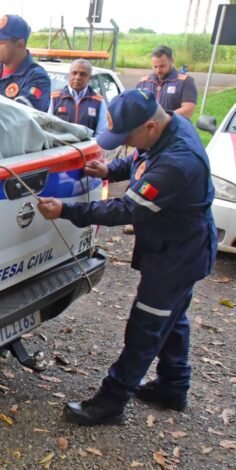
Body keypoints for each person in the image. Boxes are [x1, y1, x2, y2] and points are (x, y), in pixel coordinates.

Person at [36, 89, 217, 426]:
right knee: (171, 318)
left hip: (177, 256)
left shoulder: (179, 161)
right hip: (177, 248)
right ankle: (173, 387)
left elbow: (127, 209)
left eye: (128, 136)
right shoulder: (170, 128)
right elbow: (140, 162)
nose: (126, 143)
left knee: (146, 327)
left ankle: (111, 401)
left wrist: (66, 210)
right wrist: (108, 171)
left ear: (150, 125)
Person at [49, 59, 108, 137]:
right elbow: (48, 128)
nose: (77, 77)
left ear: (89, 78)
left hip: (88, 148)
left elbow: (101, 133)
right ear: (69, 75)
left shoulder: (98, 101)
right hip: (61, 148)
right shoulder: (55, 98)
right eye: (74, 73)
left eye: (83, 74)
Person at [136, 45, 197, 119]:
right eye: (155, 67)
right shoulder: (143, 82)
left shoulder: (185, 82)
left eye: (162, 66)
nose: (158, 71)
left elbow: (188, 109)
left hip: (174, 129)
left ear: (171, 61)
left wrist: (163, 119)